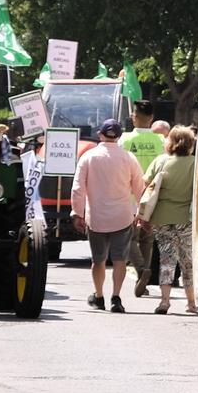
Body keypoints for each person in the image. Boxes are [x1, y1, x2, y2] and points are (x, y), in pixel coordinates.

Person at [71, 117, 145, 313]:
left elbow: (78, 188)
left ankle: (99, 295)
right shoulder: (129, 158)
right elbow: (139, 187)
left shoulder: (88, 157)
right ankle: (116, 296)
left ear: (100, 134)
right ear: (119, 136)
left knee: (98, 260)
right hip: (123, 216)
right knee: (120, 259)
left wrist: (77, 213)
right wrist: (142, 212)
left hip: (96, 217)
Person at [139, 126, 197, 316]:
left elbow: (146, 184)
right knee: (188, 261)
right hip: (186, 219)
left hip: (162, 218)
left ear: (170, 142)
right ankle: (191, 303)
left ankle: (164, 301)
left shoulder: (161, 161)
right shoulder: (195, 164)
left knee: (166, 259)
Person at [119, 101, 164, 297]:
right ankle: (142, 281)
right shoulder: (161, 141)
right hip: (153, 197)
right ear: (152, 119)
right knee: (147, 239)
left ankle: (141, 270)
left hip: (128, 197)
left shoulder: (124, 140)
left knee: (127, 238)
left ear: (133, 117)